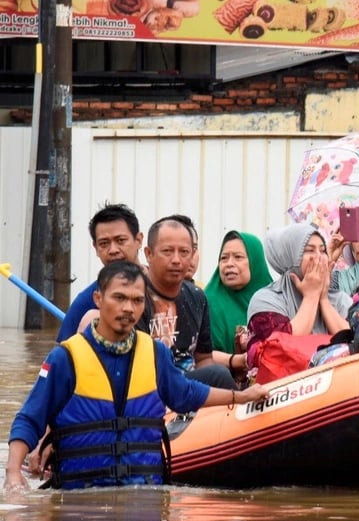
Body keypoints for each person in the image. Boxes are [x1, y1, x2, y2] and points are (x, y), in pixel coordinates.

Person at [5, 261, 269, 492]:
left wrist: (241, 396)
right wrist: (13, 473)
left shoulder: (155, 353)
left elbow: (187, 394)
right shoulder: (64, 358)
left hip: (144, 493)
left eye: (137, 300)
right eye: (119, 298)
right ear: (98, 299)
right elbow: (30, 418)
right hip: (79, 496)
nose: (128, 308)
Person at [137, 216, 233, 389]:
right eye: (167, 251)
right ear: (148, 254)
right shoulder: (134, 297)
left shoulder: (197, 296)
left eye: (184, 252)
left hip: (188, 387)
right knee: (219, 375)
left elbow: (203, 358)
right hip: (148, 387)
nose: (176, 260)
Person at [57, 203, 144, 342]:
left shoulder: (164, 287)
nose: (113, 250)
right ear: (96, 248)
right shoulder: (85, 303)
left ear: (138, 240)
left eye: (121, 240)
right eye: (104, 243)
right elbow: (62, 356)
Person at [247, 223, 350, 336]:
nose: (319, 257)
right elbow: (281, 346)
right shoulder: (266, 300)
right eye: (310, 250)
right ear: (289, 258)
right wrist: (311, 296)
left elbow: (357, 343)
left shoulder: (340, 300)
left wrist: (324, 300)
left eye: (322, 250)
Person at [204, 230, 272, 376]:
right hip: (223, 387)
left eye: (238, 257)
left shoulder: (274, 300)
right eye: (224, 258)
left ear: (255, 261)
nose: (229, 264)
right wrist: (238, 360)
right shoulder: (207, 302)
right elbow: (201, 356)